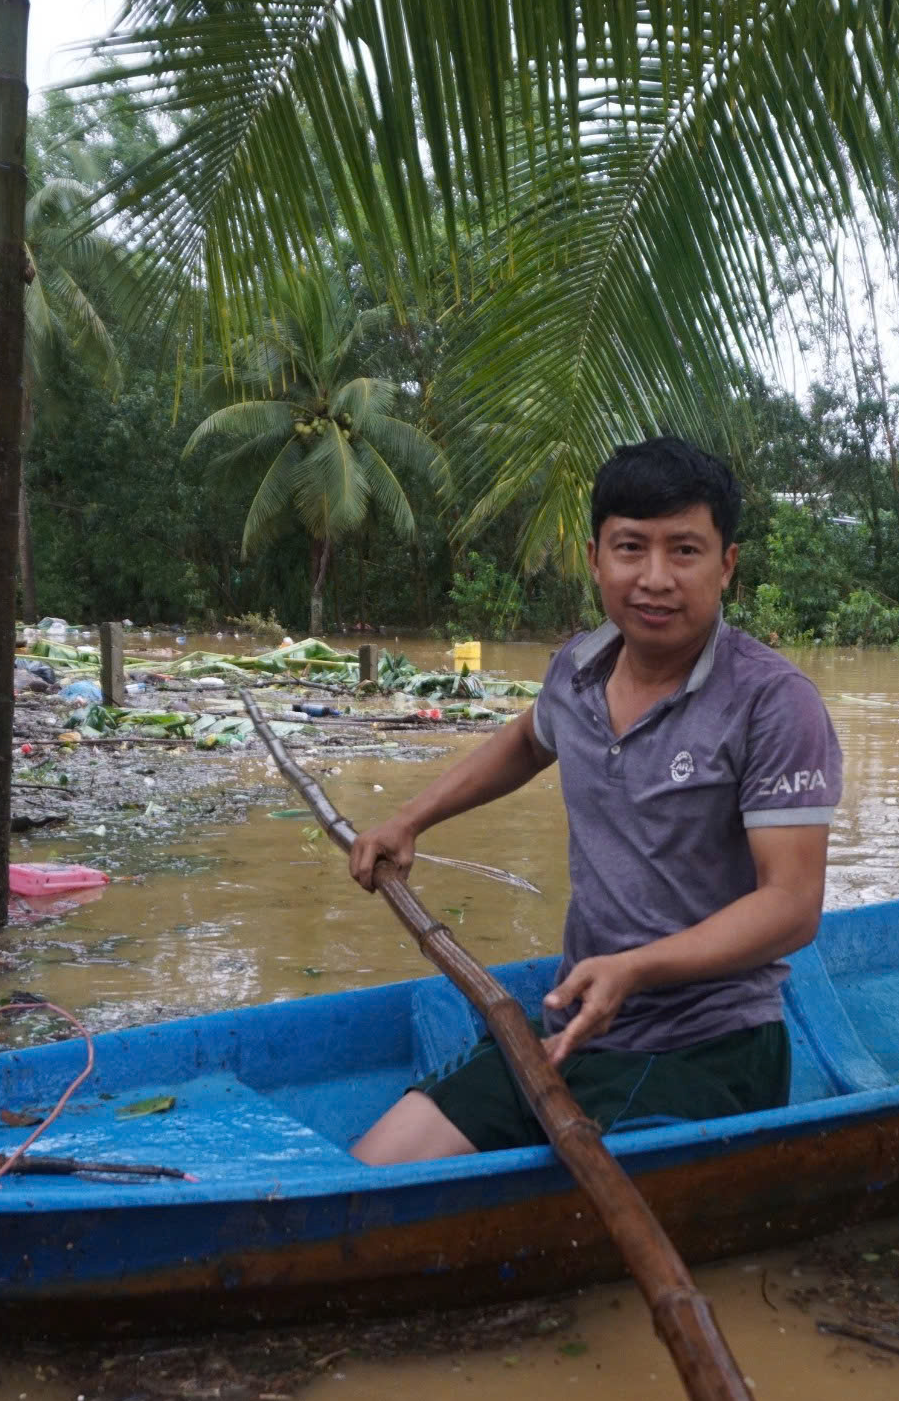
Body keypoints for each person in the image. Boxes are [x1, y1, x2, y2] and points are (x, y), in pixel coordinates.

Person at [346, 436, 843, 1163]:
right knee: (374, 1168)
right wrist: (410, 819)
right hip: (579, 1025)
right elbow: (527, 740)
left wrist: (634, 969)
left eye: (685, 551)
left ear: (727, 565)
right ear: (594, 559)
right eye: (630, 548)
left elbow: (792, 905)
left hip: (710, 1047)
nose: (654, 578)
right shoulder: (576, 671)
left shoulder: (772, 704)